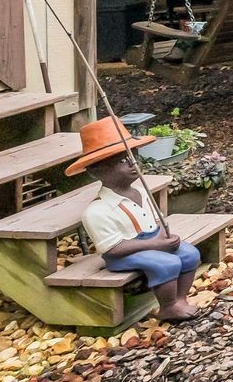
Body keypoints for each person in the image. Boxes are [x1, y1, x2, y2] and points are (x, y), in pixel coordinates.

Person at [66, 116, 204, 323]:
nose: (134, 164)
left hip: (151, 241)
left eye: (134, 157)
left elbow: (154, 222)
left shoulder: (141, 193)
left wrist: (164, 237)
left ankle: (180, 299)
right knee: (166, 263)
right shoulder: (98, 211)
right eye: (123, 160)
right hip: (124, 254)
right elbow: (112, 249)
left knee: (189, 254)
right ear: (98, 171)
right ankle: (167, 307)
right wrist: (155, 245)